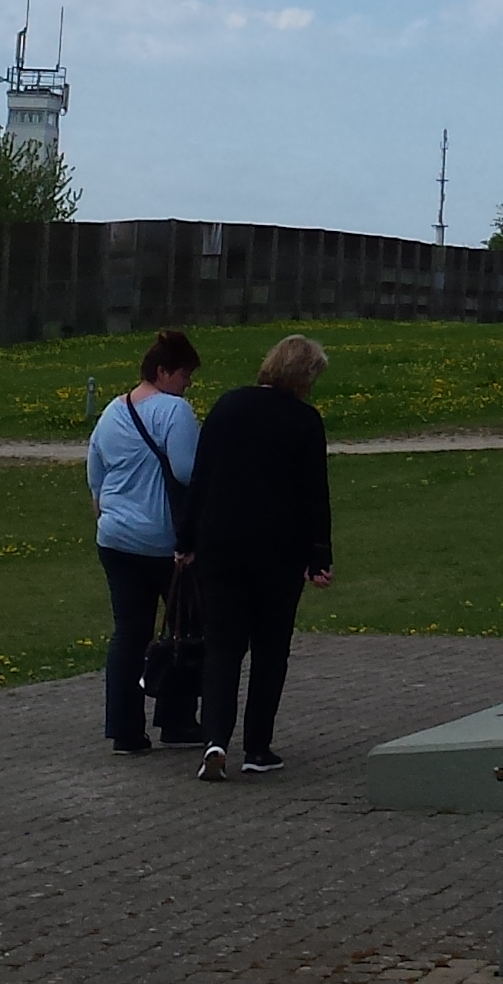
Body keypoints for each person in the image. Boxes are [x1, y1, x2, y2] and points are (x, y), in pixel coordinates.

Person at [180, 331, 334, 781]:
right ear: (305, 376)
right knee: (270, 649)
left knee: (223, 646)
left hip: (221, 544)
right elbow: (314, 492)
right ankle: (257, 747)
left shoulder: (227, 406)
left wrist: (185, 540)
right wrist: (319, 554)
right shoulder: (305, 421)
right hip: (278, 551)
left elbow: (201, 476)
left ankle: (214, 739)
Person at [86, 328, 202, 755]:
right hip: (163, 541)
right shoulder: (175, 412)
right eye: (185, 375)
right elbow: (188, 471)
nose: (187, 384)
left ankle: (125, 729)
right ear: (164, 372)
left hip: (116, 538)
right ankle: (176, 718)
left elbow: (95, 474)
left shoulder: (113, 411)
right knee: (185, 629)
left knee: (129, 634)